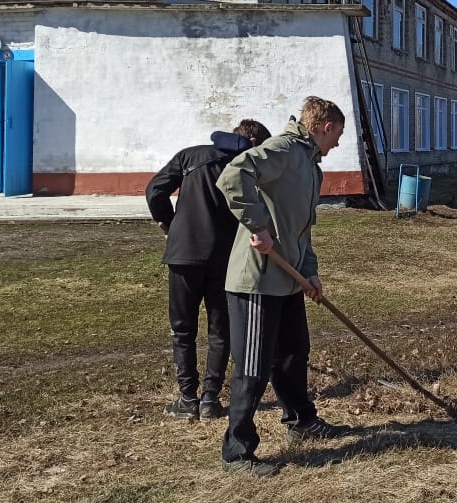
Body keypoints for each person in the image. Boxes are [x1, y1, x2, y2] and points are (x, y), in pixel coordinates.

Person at [215, 96, 350, 477]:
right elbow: (232, 176)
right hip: (258, 279)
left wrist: (311, 272)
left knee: (293, 354)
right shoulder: (283, 149)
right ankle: (237, 452)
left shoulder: (311, 167)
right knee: (254, 367)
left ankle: (301, 420)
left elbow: (302, 232)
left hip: (289, 279)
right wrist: (257, 225)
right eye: (338, 134)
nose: (338, 143)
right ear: (324, 128)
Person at [146, 119, 272, 421]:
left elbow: (154, 191)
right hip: (223, 256)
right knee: (220, 329)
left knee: (182, 328)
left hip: (183, 254)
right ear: (253, 141)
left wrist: (170, 223)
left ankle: (188, 397)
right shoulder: (248, 167)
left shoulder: (190, 156)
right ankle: (210, 399)